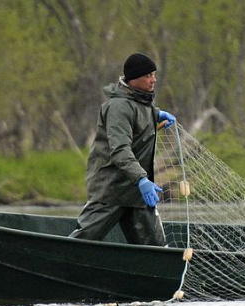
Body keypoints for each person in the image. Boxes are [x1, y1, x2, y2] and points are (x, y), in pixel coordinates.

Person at [69, 52, 176, 245]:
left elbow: (139, 113)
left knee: (156, 250)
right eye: (148, 75)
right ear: (134, 79)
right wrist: (142, 180)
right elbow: (120, 150)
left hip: (136, 196)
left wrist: (157, 114)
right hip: (111, 191)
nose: (154, 80)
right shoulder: (118, 107)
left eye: (154, 74)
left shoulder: (143, 102)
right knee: (82, 242)